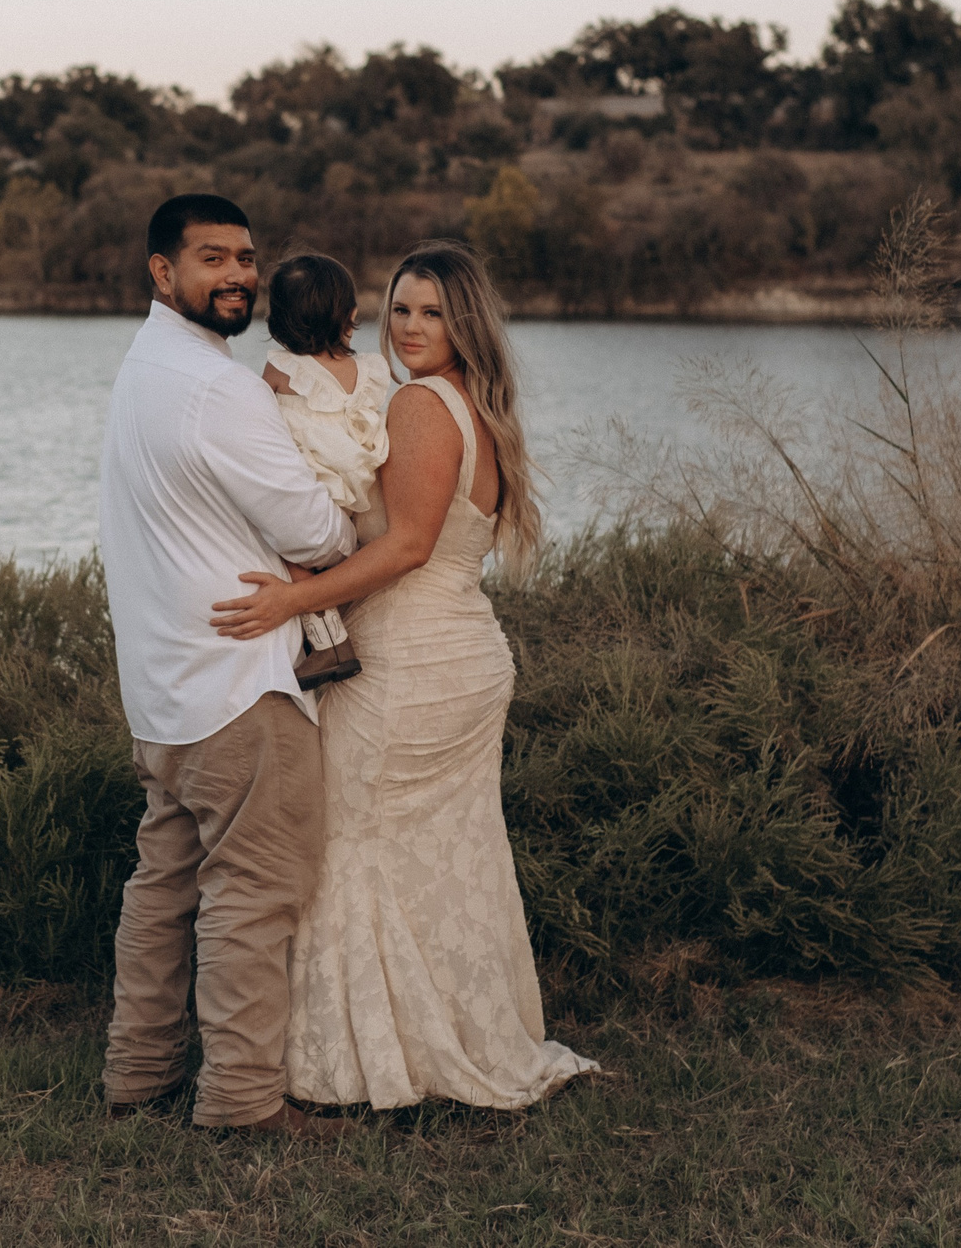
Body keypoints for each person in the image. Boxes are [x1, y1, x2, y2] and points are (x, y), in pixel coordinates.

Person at [213, 240, 597, 1111]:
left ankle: (368, 1060)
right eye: (402, 307)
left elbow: (408, 545)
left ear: (465, 323)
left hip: (413, 664)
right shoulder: (471, 404)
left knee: (350, 846)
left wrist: (293, 597)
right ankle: (446, 1039)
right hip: (458, 649)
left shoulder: (423, 404)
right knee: (443, 859)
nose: (413, 326)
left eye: (433, 311)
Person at [95, 193, 360, 1139]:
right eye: (212, 259)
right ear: (163, 272)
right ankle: (243, 1104)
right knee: (254, 893)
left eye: (246, 258)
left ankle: (138, 1072)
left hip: (163, 689)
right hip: (239, 683)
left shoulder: (143, 368)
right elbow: (320, 531)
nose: (239, 275)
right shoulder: (221, 387)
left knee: (165, 884)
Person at [258, 254, 393, 686]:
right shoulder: (370, 368)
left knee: (282, 543)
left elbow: (255, 423)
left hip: (317, 488)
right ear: (350, 315)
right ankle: (331, 635)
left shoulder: (282, 367)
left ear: (278, 320)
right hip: (360, 492)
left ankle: (329, 642)